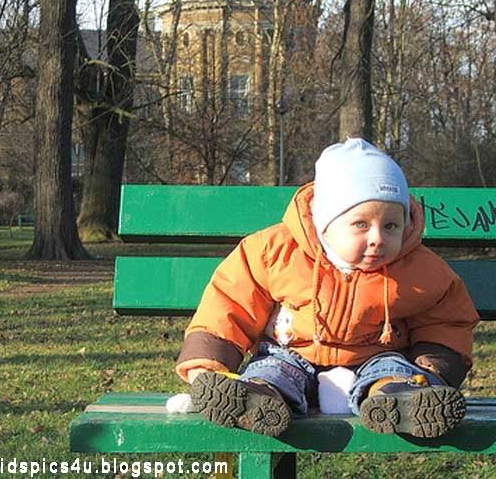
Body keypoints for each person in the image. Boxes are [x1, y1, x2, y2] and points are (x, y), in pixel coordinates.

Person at [175, 138, 480, 438]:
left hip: (374, 356)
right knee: (272, 371)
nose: (377, 238)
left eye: (390, 226)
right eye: (361, 224)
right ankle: (255, 398)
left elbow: (446, 318)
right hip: (291, 352)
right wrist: (208, 363)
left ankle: (403, 401)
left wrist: (435, 370)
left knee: (391, 372)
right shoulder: (274, 251)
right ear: (325, 223)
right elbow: (231, 300)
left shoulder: (419, 268)